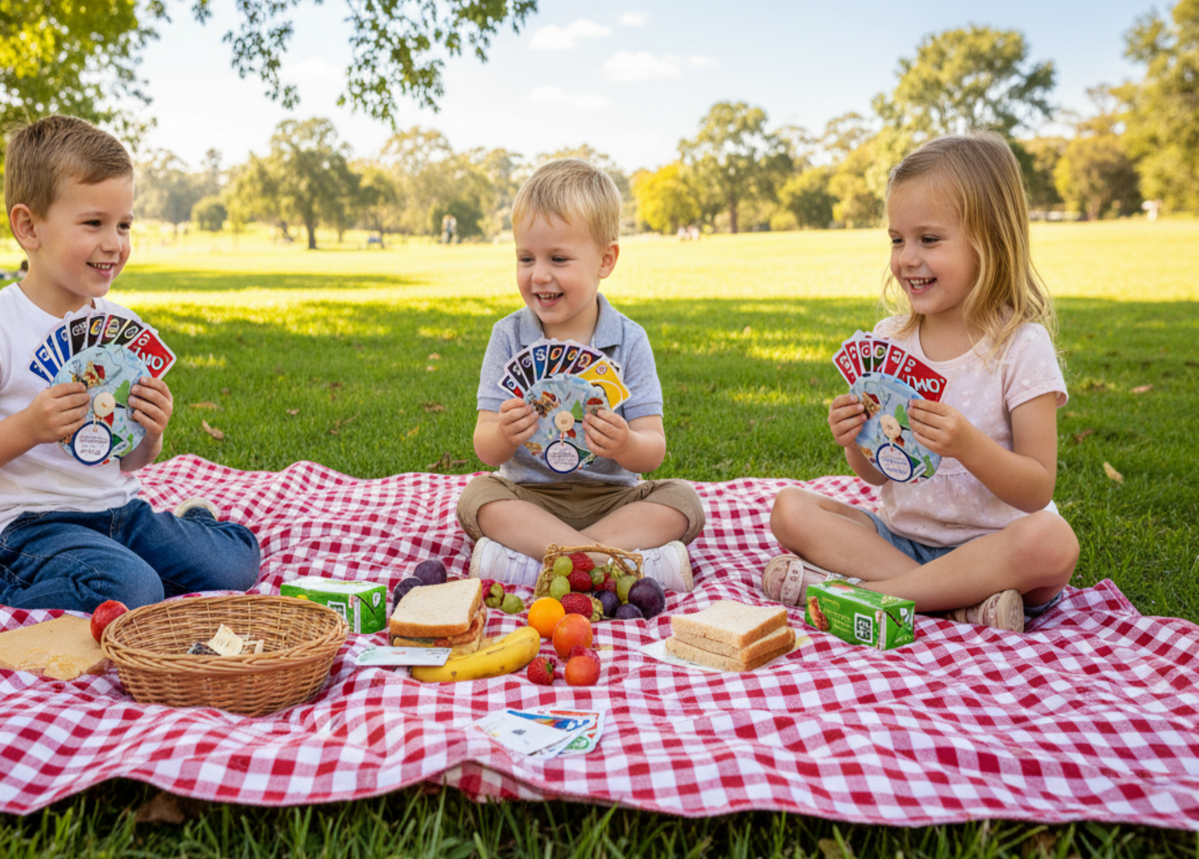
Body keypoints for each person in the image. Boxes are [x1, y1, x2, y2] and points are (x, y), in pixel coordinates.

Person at [0, 116, 260, 613]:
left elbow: (125, 461)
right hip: (28, 528)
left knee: (236, 564)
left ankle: (189, 527)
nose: (115, 243)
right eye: (94, 223)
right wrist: (29, 427)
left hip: (117, 512)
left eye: (124, 225)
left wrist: (150, 435)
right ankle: (4, 593)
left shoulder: (121, 328)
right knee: (132, 590)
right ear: (28, 227)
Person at [761, 133, 1078, 633]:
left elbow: (1037, 489)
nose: (907, 257)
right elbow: (878, 477)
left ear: (990, 240)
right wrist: (855, 441)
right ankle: (959, 605)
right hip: (899, 539)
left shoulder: (1021, 345)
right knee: (790, 509)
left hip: (996, 548)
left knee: (1054, 542)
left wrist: (968, 445)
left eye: (929, 239)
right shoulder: (891, 340)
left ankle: (866, 594)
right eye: (897, 239)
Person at [459, 158, 704, 592]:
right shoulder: (508, 336)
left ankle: (542, 566)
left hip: (614, 501)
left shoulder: (629, 340)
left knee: (683, 502)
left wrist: (627, 443)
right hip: (531, 500)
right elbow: (485, 447)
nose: (539, 275)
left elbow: (654, 450)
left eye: (558, 258)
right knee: (477, 498)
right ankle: (612, 566)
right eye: (525, 257)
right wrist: (506, 435)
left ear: (605, 260)